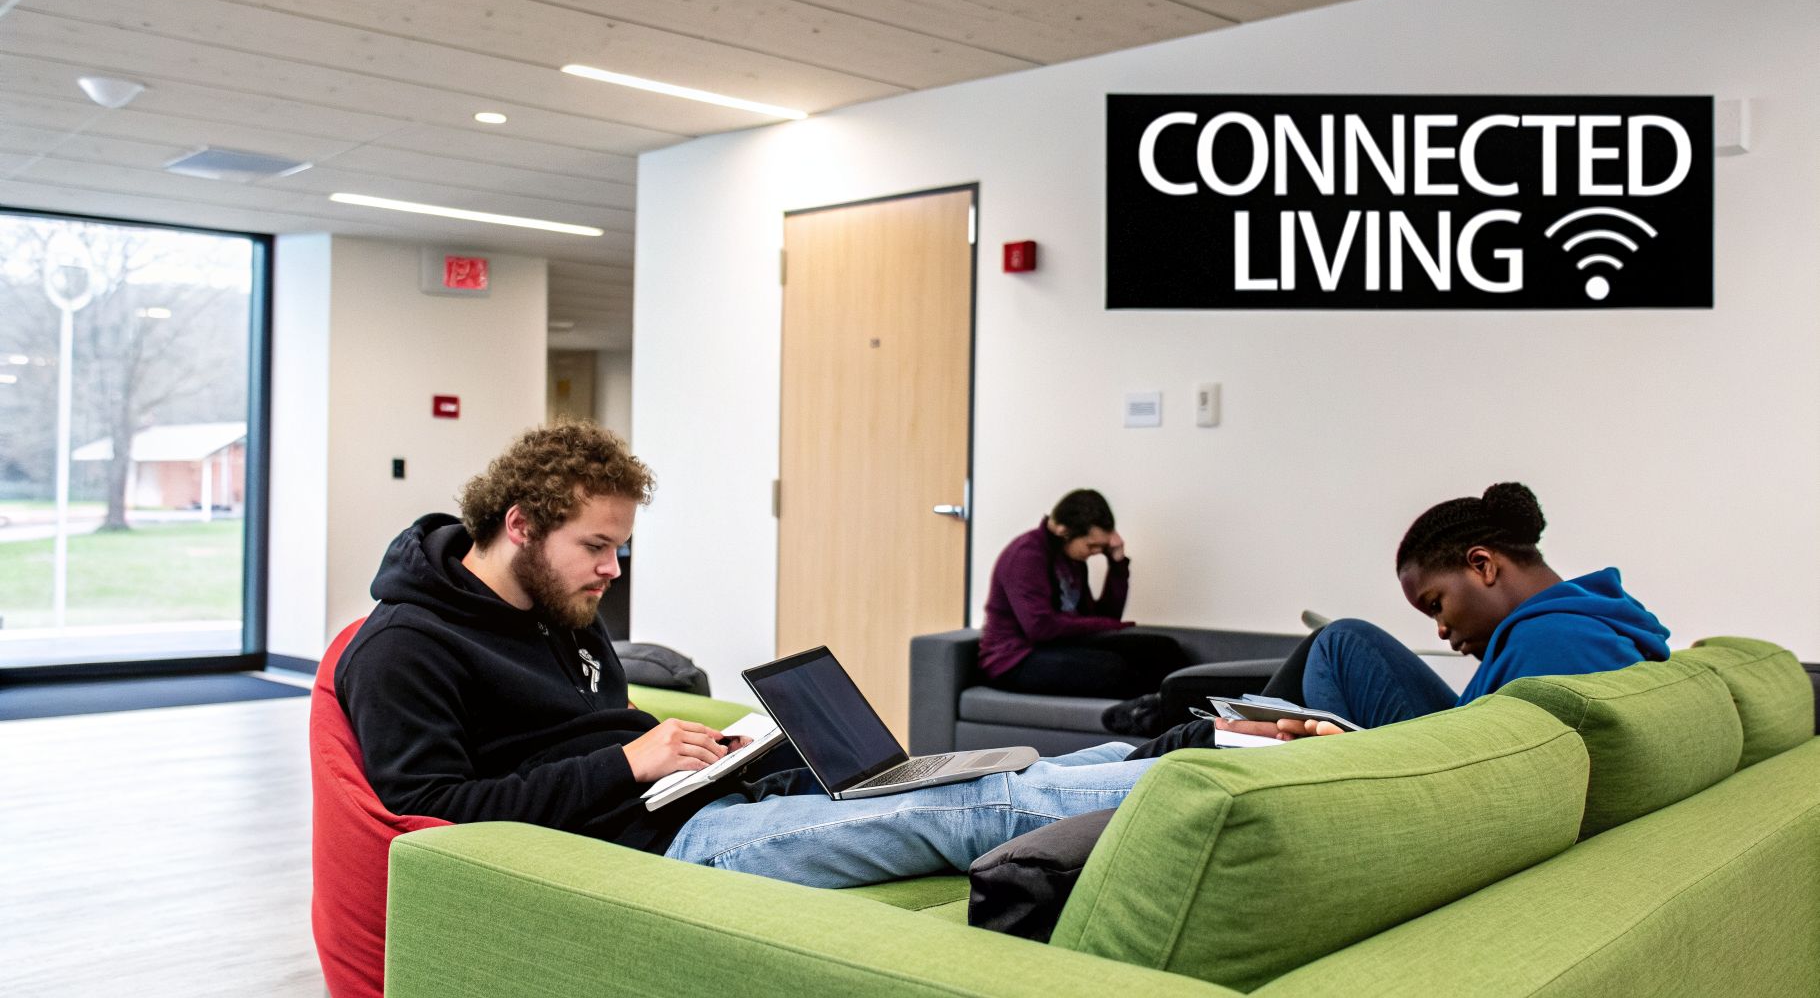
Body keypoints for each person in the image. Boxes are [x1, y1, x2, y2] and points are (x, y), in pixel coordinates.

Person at [336, 422, 1163, 891]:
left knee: (959, 774)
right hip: (655, 847)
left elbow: (595, 729)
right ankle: (1184, 786)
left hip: (692, 803)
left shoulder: (564, 607)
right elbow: (431, 807)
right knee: (975, 809)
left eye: (619, 547)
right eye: (594, 546)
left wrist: (709, 752)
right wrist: (629, 765)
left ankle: (1162, 758)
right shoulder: (405, 649)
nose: (611, 570)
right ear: (519, 525)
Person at [1215, 481, 1670, 742]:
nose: (1440, 630)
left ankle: (1202, 743)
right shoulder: (1592, 622)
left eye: (1436, 605)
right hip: (1454, 756)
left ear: (1482, 564)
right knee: (1334, 644)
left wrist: (1346, 759)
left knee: (1339, 642)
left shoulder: (1553, 644)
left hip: (1445, 788)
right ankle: (1205, 739)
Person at [978, 490, 1188, 727]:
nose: (1097, 552)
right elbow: (1040, 627)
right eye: (1092, 545)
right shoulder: (1026, 556)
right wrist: (1109, 626)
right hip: (1014, 660)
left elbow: (1104, 618)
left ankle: (1195, 718)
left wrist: (1117, 563)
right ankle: (1157, 720)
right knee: (1112, 669)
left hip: (1059, 645)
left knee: (1163, 649)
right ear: (1063, 531)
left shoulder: (1073, 559)